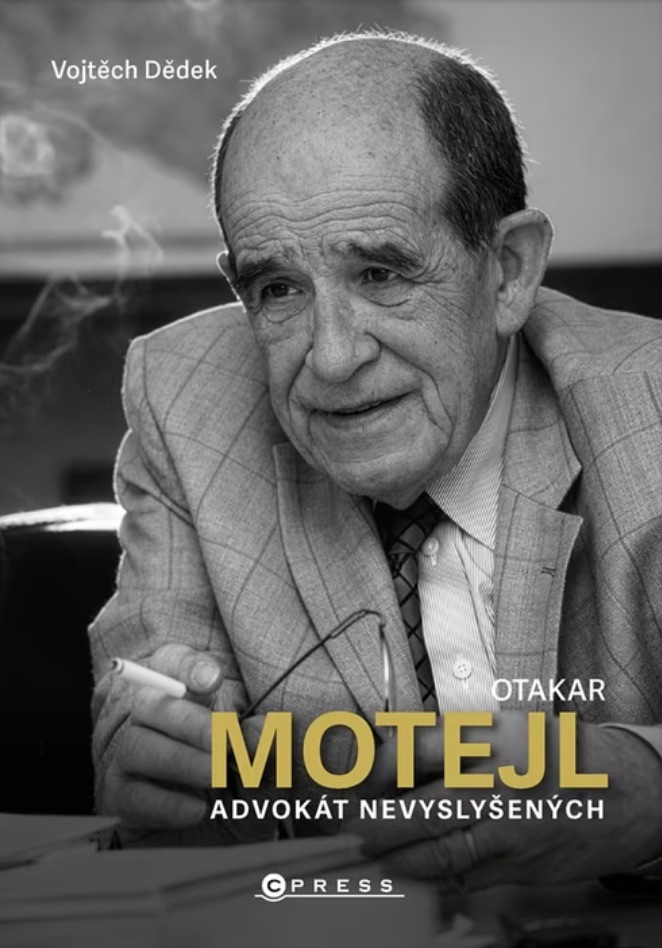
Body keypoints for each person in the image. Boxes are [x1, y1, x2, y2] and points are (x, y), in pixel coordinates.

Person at [90, 31, 662, 888]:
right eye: (278, 289)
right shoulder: (186, 404)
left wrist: (650, 789)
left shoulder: (650, 413)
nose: (331, 358)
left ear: (509, 272)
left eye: (381, 275)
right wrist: (155, 768)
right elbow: (163, 806)